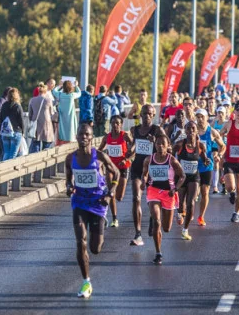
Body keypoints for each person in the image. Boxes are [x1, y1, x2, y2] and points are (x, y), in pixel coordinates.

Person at [65, 123, 118, 298]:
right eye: (81, 134)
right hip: (79, 202)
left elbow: (116, 173)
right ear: (77, 137)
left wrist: (110, 194)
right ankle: (86, 281)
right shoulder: (70, 158)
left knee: (95, 249)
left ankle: (103, 222)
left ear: (91, 137)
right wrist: (69, 187)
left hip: (97, 203)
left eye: (87, 134)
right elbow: (68, 179)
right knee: (81, 241)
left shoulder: (100, 156)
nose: (84, 137)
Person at [141, 135, 184, 264]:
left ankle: (155, 218)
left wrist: (175, 189)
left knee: (166, 228)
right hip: (153, 191)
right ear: (155, 145)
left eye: (163, 144)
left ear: (167, 145)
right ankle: (158, 252)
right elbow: (144, 175)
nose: (160, 146)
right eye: (158, 144)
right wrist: (143, 182)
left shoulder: (172, 161)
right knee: (157, 222)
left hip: (168, 194)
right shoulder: (149, 159)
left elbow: (182, 176)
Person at [128, 104, 167, 246]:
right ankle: (138, 234)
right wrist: (129, 152)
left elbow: (168, 147)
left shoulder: (157, 130)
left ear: (153, 115)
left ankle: (153, 219)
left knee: (153, 200)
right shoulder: (135, 129)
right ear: (140, 115)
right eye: (144, 113)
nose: (146, 116)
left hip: (153, 170)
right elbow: (135, 145)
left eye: (149, 114)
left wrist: (155, 142)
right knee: (136, 198)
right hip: (138, 167)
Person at [173, 121, 210, 240]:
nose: (191, 131)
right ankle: (179, 213)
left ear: (196, 130)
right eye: (188, 129)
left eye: (193, 128)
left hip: (194, 176)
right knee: (181, 204)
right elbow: (170, 157)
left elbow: (204, 158)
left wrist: (207, 161)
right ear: (185, 130)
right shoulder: (179, 144)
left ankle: (185, 230)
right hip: (181, 177)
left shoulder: (200, 146)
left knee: (191, 202)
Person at [98, 115, 133, 228]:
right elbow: (99, 151)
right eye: (113, 123)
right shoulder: (106, 137)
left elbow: (134, 147)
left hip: (123, 167)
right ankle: (114, 218)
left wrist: (126, 159)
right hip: (111, 167)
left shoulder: (125, 136)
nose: (115, 125)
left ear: (121, 124)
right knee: (111, 191)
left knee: (119, 197)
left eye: (118, 123)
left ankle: (110, 197)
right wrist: (99, 161)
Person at [195, 109, 225, 226]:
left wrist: (219, 155)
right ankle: (189, 211)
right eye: (197, 117)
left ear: (207, 117)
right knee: (194, 192)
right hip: (194, 165)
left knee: (205, 192)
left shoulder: (212, 132)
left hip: (207, 165)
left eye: (202, 117)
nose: (199, 119)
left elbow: (222, 146)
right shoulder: (192, 130)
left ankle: (201, 216)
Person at [28, 83, 56, 153]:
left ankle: (35, 161)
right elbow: (51, 113)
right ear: (45, 91)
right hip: (46, 125)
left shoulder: (32, 100)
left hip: (36, 125)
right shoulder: (48, 100)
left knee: (35, 144)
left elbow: (30, 115)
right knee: (46, 145)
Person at [0, 88, 25, 160]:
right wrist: (23, 131)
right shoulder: (17, 106)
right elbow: (21, 121)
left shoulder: (4, 105)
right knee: (13, 154)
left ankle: (4, 168)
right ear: (17, 96)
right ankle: (10, 170)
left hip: (5, 132)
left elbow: (1, 119)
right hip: (16, 132)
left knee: (6, 153)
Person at [53, 80, 81, 144]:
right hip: (70, 117)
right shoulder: (72, 95)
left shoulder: (60, 95)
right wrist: (76, 86)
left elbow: (54, 91)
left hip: (61, 117)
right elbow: (79, 93)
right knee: (71, 130)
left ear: (63, 87)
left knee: (61, 131)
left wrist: (59, 86)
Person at [211, 106, 229, 194]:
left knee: (223, 166)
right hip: (215, 145)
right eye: (219, 113)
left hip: (223, 146)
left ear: (225, 114)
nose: (220, 115)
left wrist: (224, 134)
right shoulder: (214, 122)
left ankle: (224, 185)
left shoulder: (227, 123)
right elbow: (208, 131)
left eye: (222, 113)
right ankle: (215, 186)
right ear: (217, 113)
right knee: (216, 163)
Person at [0, 87, 12, 162]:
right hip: (1, 127)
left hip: (2, 128)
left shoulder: (4, 101)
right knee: (1, 147)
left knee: (3, 147)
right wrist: (2, 120)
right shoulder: (2, 100)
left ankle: (0, 161)